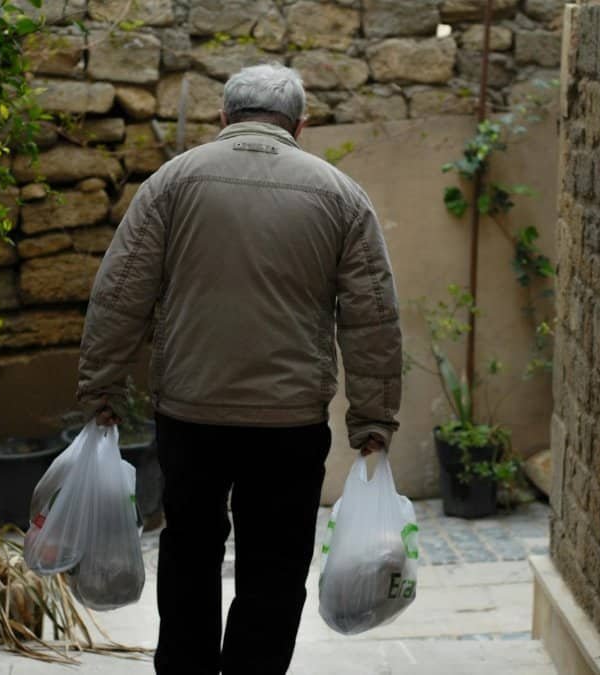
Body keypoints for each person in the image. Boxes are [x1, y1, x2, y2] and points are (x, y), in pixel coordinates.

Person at [77, 63, 402, 675]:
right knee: (274, 570)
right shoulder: (341, 196)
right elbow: (373, 319)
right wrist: (374, 419)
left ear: (223, 118)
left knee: (189, 553)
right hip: (290, 424)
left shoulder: (171, 184)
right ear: (300, 126)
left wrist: (101, 388)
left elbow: (120, 294)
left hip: (190, 413)